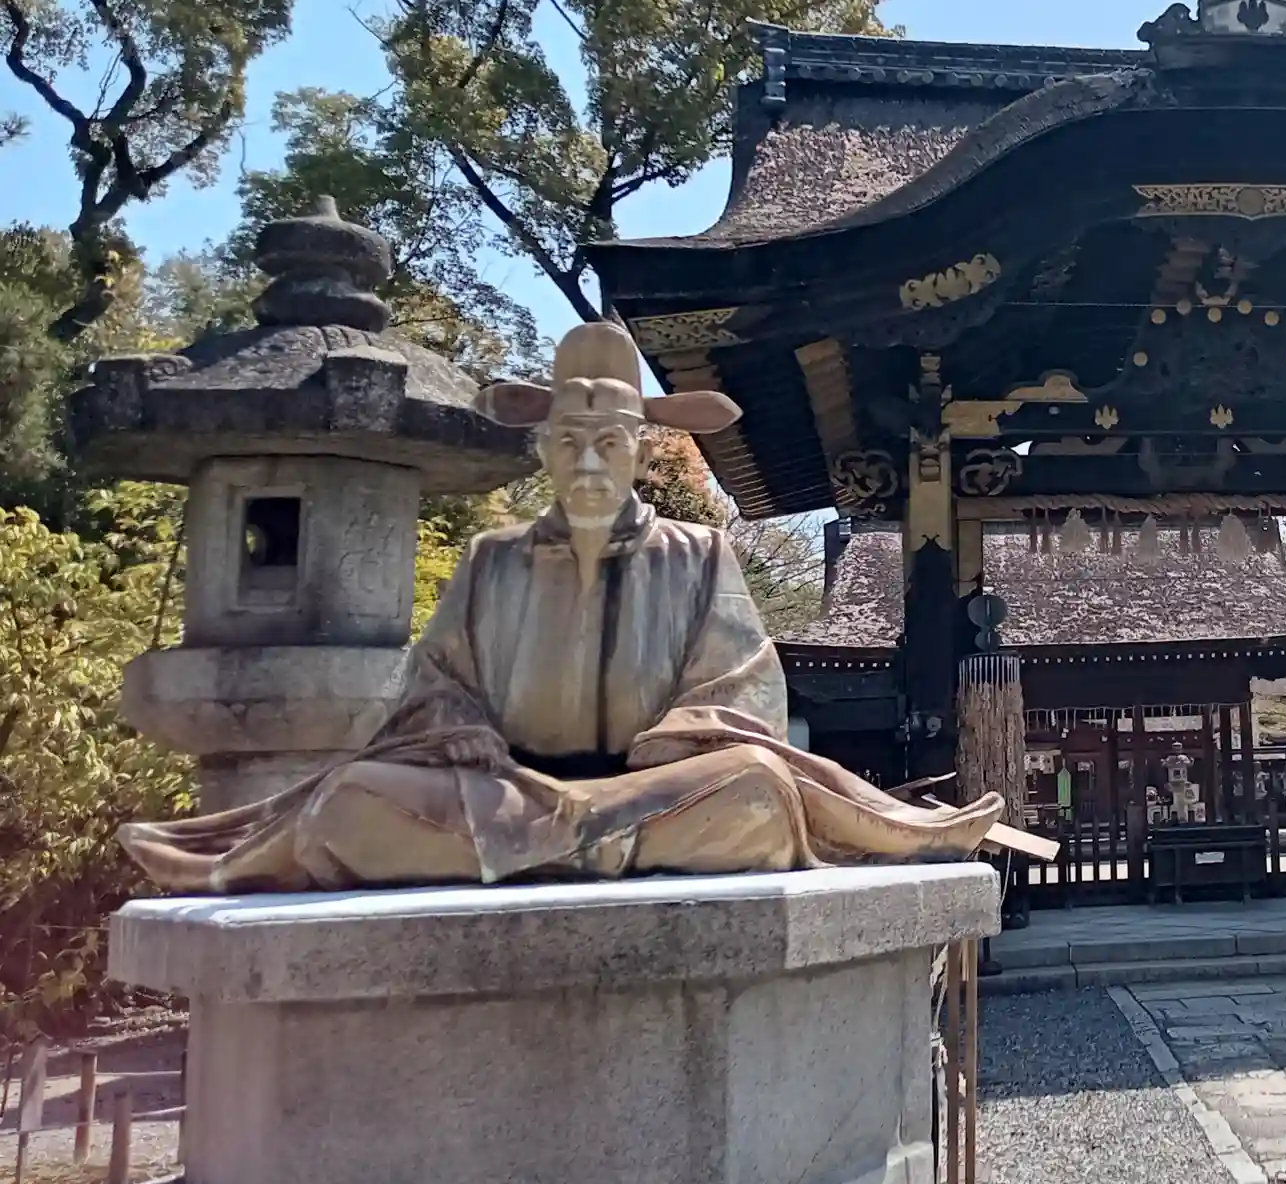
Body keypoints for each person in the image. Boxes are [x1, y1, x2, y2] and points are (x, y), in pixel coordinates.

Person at [121, 322, 1003, 892]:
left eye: (608, 444)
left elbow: (739, 696)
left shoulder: (698, 556)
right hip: (507, 791)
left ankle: (560, 835)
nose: (587, 464)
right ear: (544, 448)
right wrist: (459, 728)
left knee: (755, 787)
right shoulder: (491, 560)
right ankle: (586, 835)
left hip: (642, 792)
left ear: (638, 450)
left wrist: (673, 744)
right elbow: (434, 688)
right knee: (354, 798)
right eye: (570, 443)